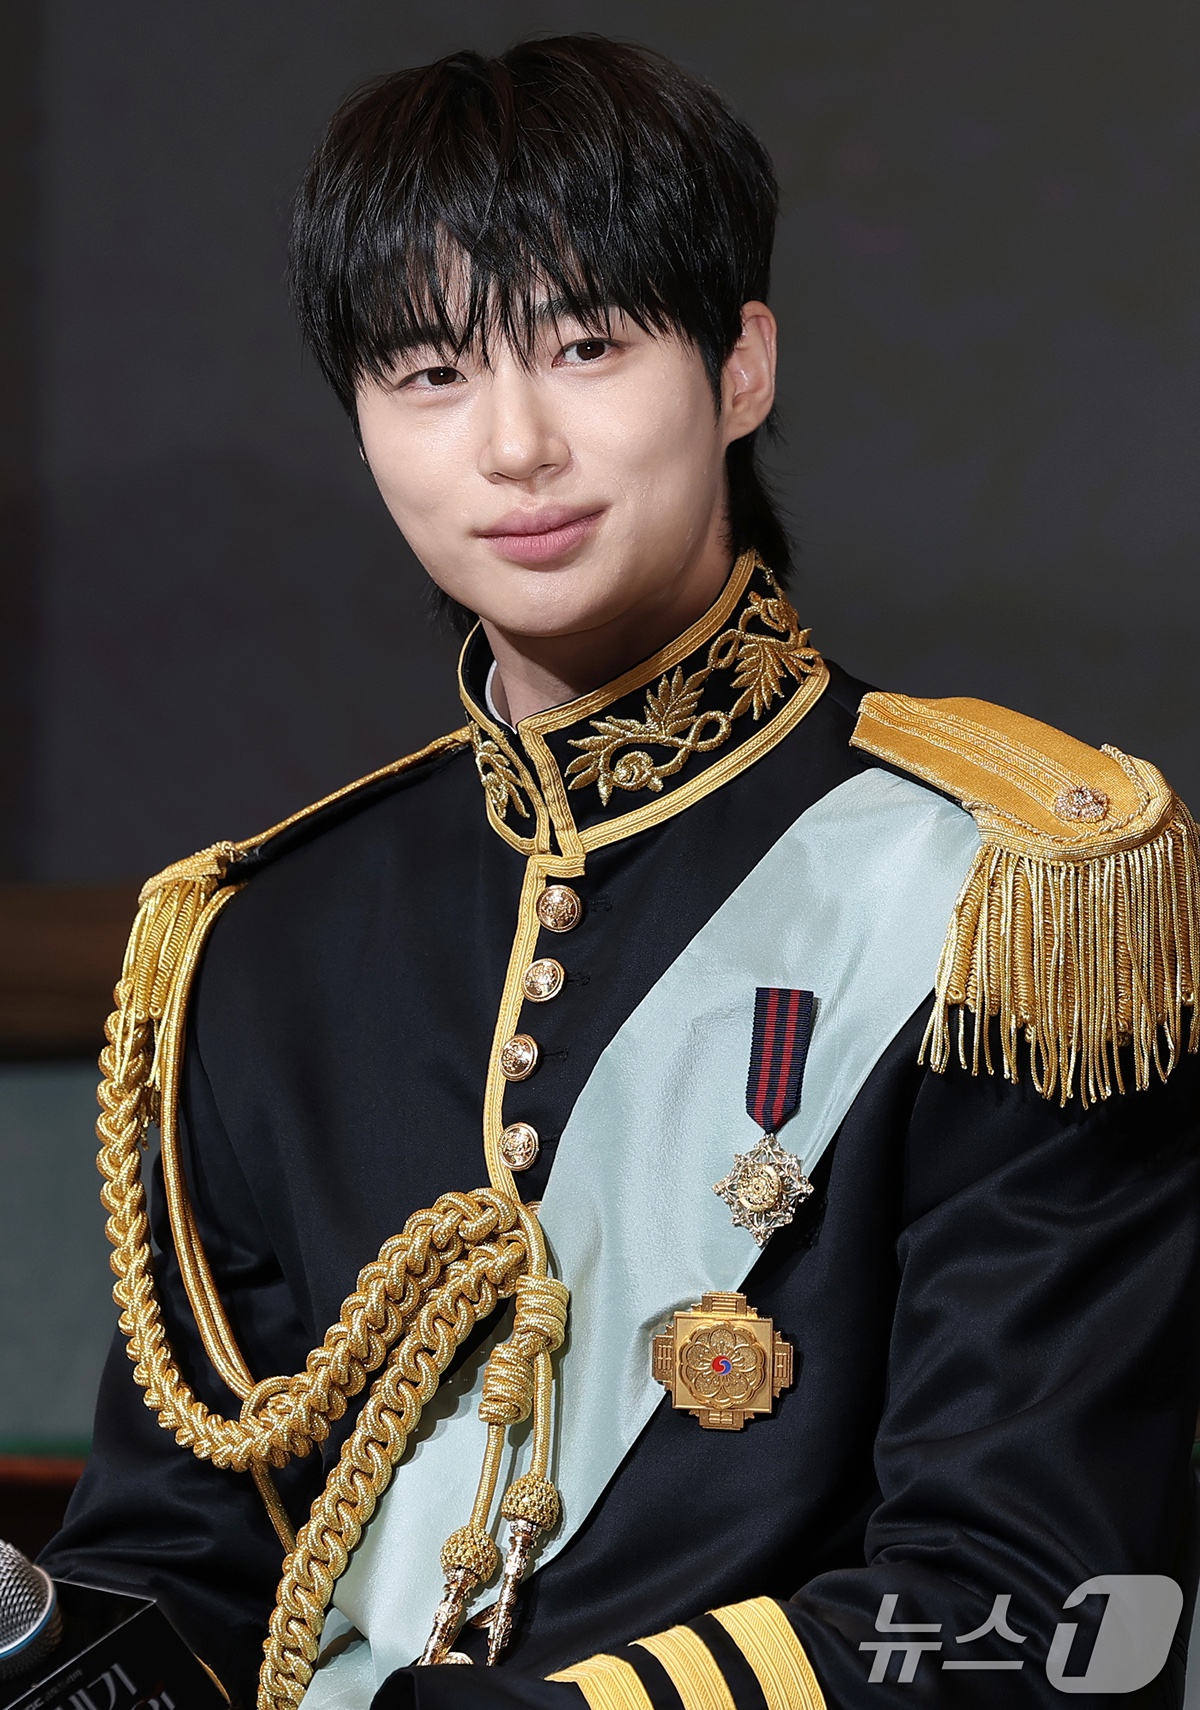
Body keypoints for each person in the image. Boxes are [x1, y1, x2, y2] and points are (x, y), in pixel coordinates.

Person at [42, 34, 1200, 1710]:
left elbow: (1038, 1611)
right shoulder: (259, 947)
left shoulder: (1014, 902)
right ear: (362, 424)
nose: (513, 444)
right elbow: (175, 1574)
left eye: (585, 346)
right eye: (430, 372)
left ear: (742, 367)